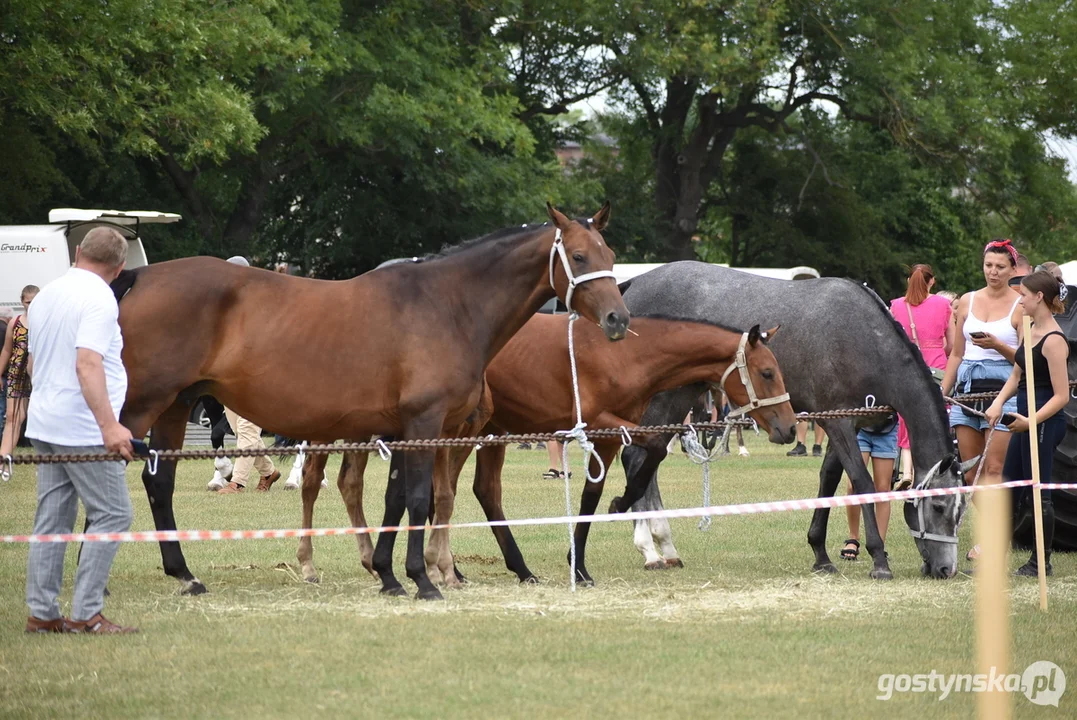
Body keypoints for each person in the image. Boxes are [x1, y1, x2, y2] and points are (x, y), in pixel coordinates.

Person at [23, 227, 137, 634]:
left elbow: (35, 364)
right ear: (120, 266)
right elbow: (87, 363)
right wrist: (109, 426)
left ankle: (43, 613)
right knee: (114, 513)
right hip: (83, 427)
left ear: (77, 252)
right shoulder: (99, 298)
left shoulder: (47, 295)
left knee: (52, 519)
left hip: (46, 421)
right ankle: (88, 613)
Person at [942, 238, 1023, 562]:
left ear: (1012, 269)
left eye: (1000, 267)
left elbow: (1025, 359)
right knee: (971, 473)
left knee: (993, 468)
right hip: (967, 390)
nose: (993, 271)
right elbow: (957, 354)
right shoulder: (967, 301)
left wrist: (996, 345)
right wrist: (943, 392)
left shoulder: (1021, 304)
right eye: (989, 265)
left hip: (1005, 391)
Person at [985, 271, 1071, 576]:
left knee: (1038, 491)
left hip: (1044, 421)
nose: (1019, 299)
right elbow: (1016, 375)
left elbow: (1062, 396)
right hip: (1023, 418)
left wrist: (1030, 421)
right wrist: (998, 402)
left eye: (1023, 294)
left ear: (1039, 297)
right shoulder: (1028, 327)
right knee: (1010, 486)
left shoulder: (1054, 341)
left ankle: (1040, 562)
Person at [212, 255, 281, 494]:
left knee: (248, 428)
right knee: (241, 430)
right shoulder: (225, 306)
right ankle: (269, 472)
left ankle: (237, 482)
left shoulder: (261, 304)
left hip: (257, 376)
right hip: (231, 376)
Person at [890, 265, 953, 489]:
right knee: (936, 418)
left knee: (906, 418)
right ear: (932, 281)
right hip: (935, 363)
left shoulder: (896, 305)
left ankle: (907, 470)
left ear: (909, 280)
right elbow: (952, 345)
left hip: (908, 366)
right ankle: (932, 470)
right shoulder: (944, 304)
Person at [840, 414, 899, 560]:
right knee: (853, 485)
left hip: (887, 429)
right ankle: (853, 539)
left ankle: (879, 545)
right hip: (859, 428)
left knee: (883, 490)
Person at [1, 285, 40, 459]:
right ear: (22, 302)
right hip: (17, 373)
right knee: (13, 417)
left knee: (40, 418)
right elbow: (7, 351)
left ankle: (45, 462)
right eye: (28, 302)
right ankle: (4, 459)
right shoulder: (14, 323)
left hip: (40, 374)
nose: (31, 305)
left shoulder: (46, 321)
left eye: (35, 301)